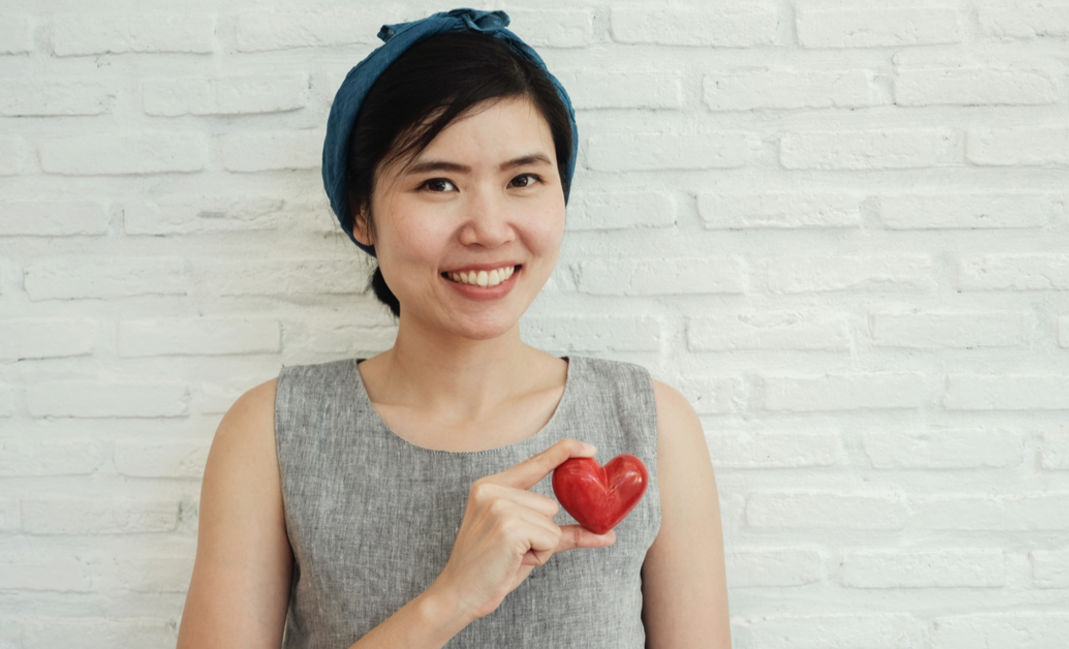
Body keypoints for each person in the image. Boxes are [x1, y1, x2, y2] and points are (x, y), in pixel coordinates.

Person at [176, 8, 730, 649]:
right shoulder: (272, 432)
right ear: (361, 214)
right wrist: (450, 601)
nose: (490, 229)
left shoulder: (651, 423)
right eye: (438, 183)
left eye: (523, 179)